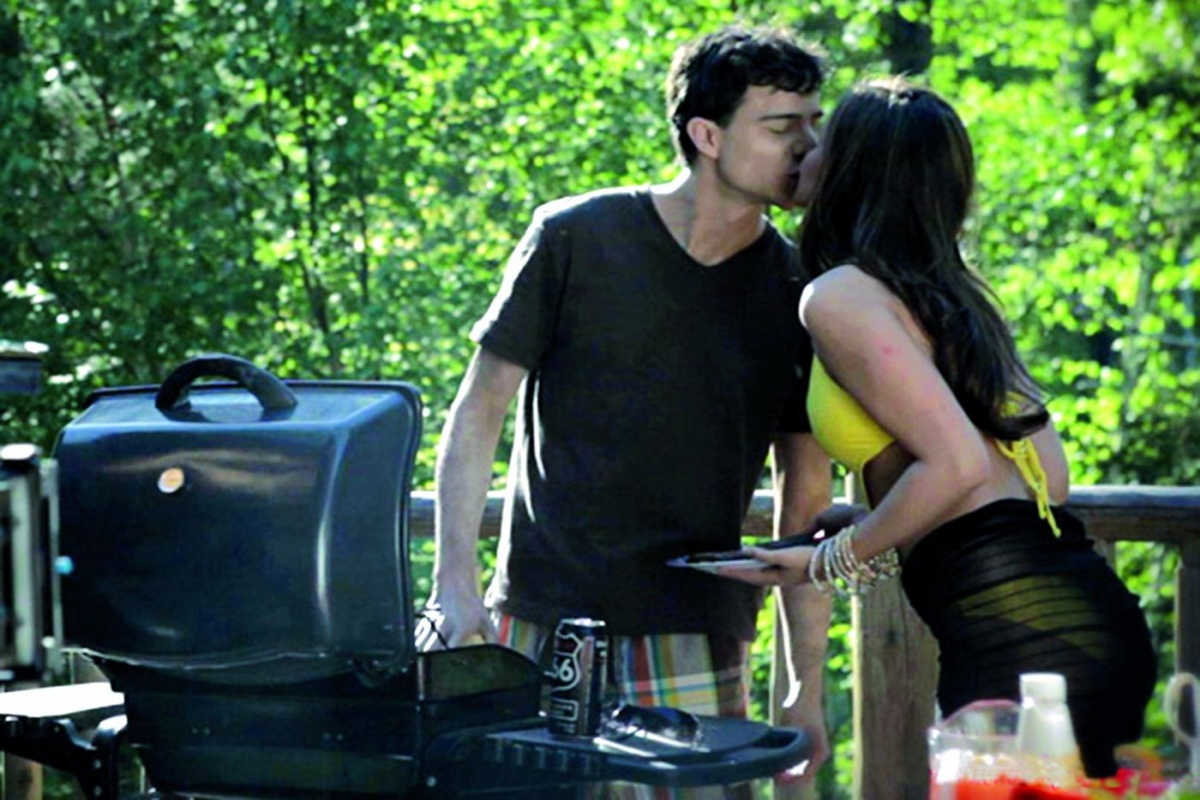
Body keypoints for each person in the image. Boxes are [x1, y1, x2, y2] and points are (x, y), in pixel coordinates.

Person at [426, 23, 835, 792]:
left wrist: (802, 688)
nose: (809, 147)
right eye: (783, 126)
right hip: (538, 623)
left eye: (815, 123)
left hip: (696, 636)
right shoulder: (574, 237)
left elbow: (805, 500)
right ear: (707, 135)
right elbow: (478, 412)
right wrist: (455, 585)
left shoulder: (803, 291)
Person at [721, 76, 1157, 778]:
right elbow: (1049, 479)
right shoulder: (956, 297)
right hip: (1083, 620)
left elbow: (957, 463)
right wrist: (879, 517)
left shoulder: (837, 296)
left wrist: (836, 558)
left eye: (825, 137)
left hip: (1014, 639)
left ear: (855, 169)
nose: (806, 148)